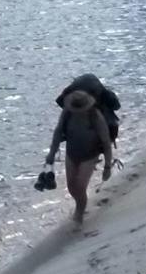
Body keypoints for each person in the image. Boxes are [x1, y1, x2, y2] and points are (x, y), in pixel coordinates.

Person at [44, 74, 119, 225]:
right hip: (71, 153)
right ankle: (80, 206)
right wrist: (51, 154)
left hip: (90, 155)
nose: (76, 111)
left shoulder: (95, 116)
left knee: (80, 186)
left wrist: (107, 167)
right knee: (71, 187)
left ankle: (79, 215)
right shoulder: (67, 113)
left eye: (79, 109)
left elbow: (106, 143)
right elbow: (58, 132)